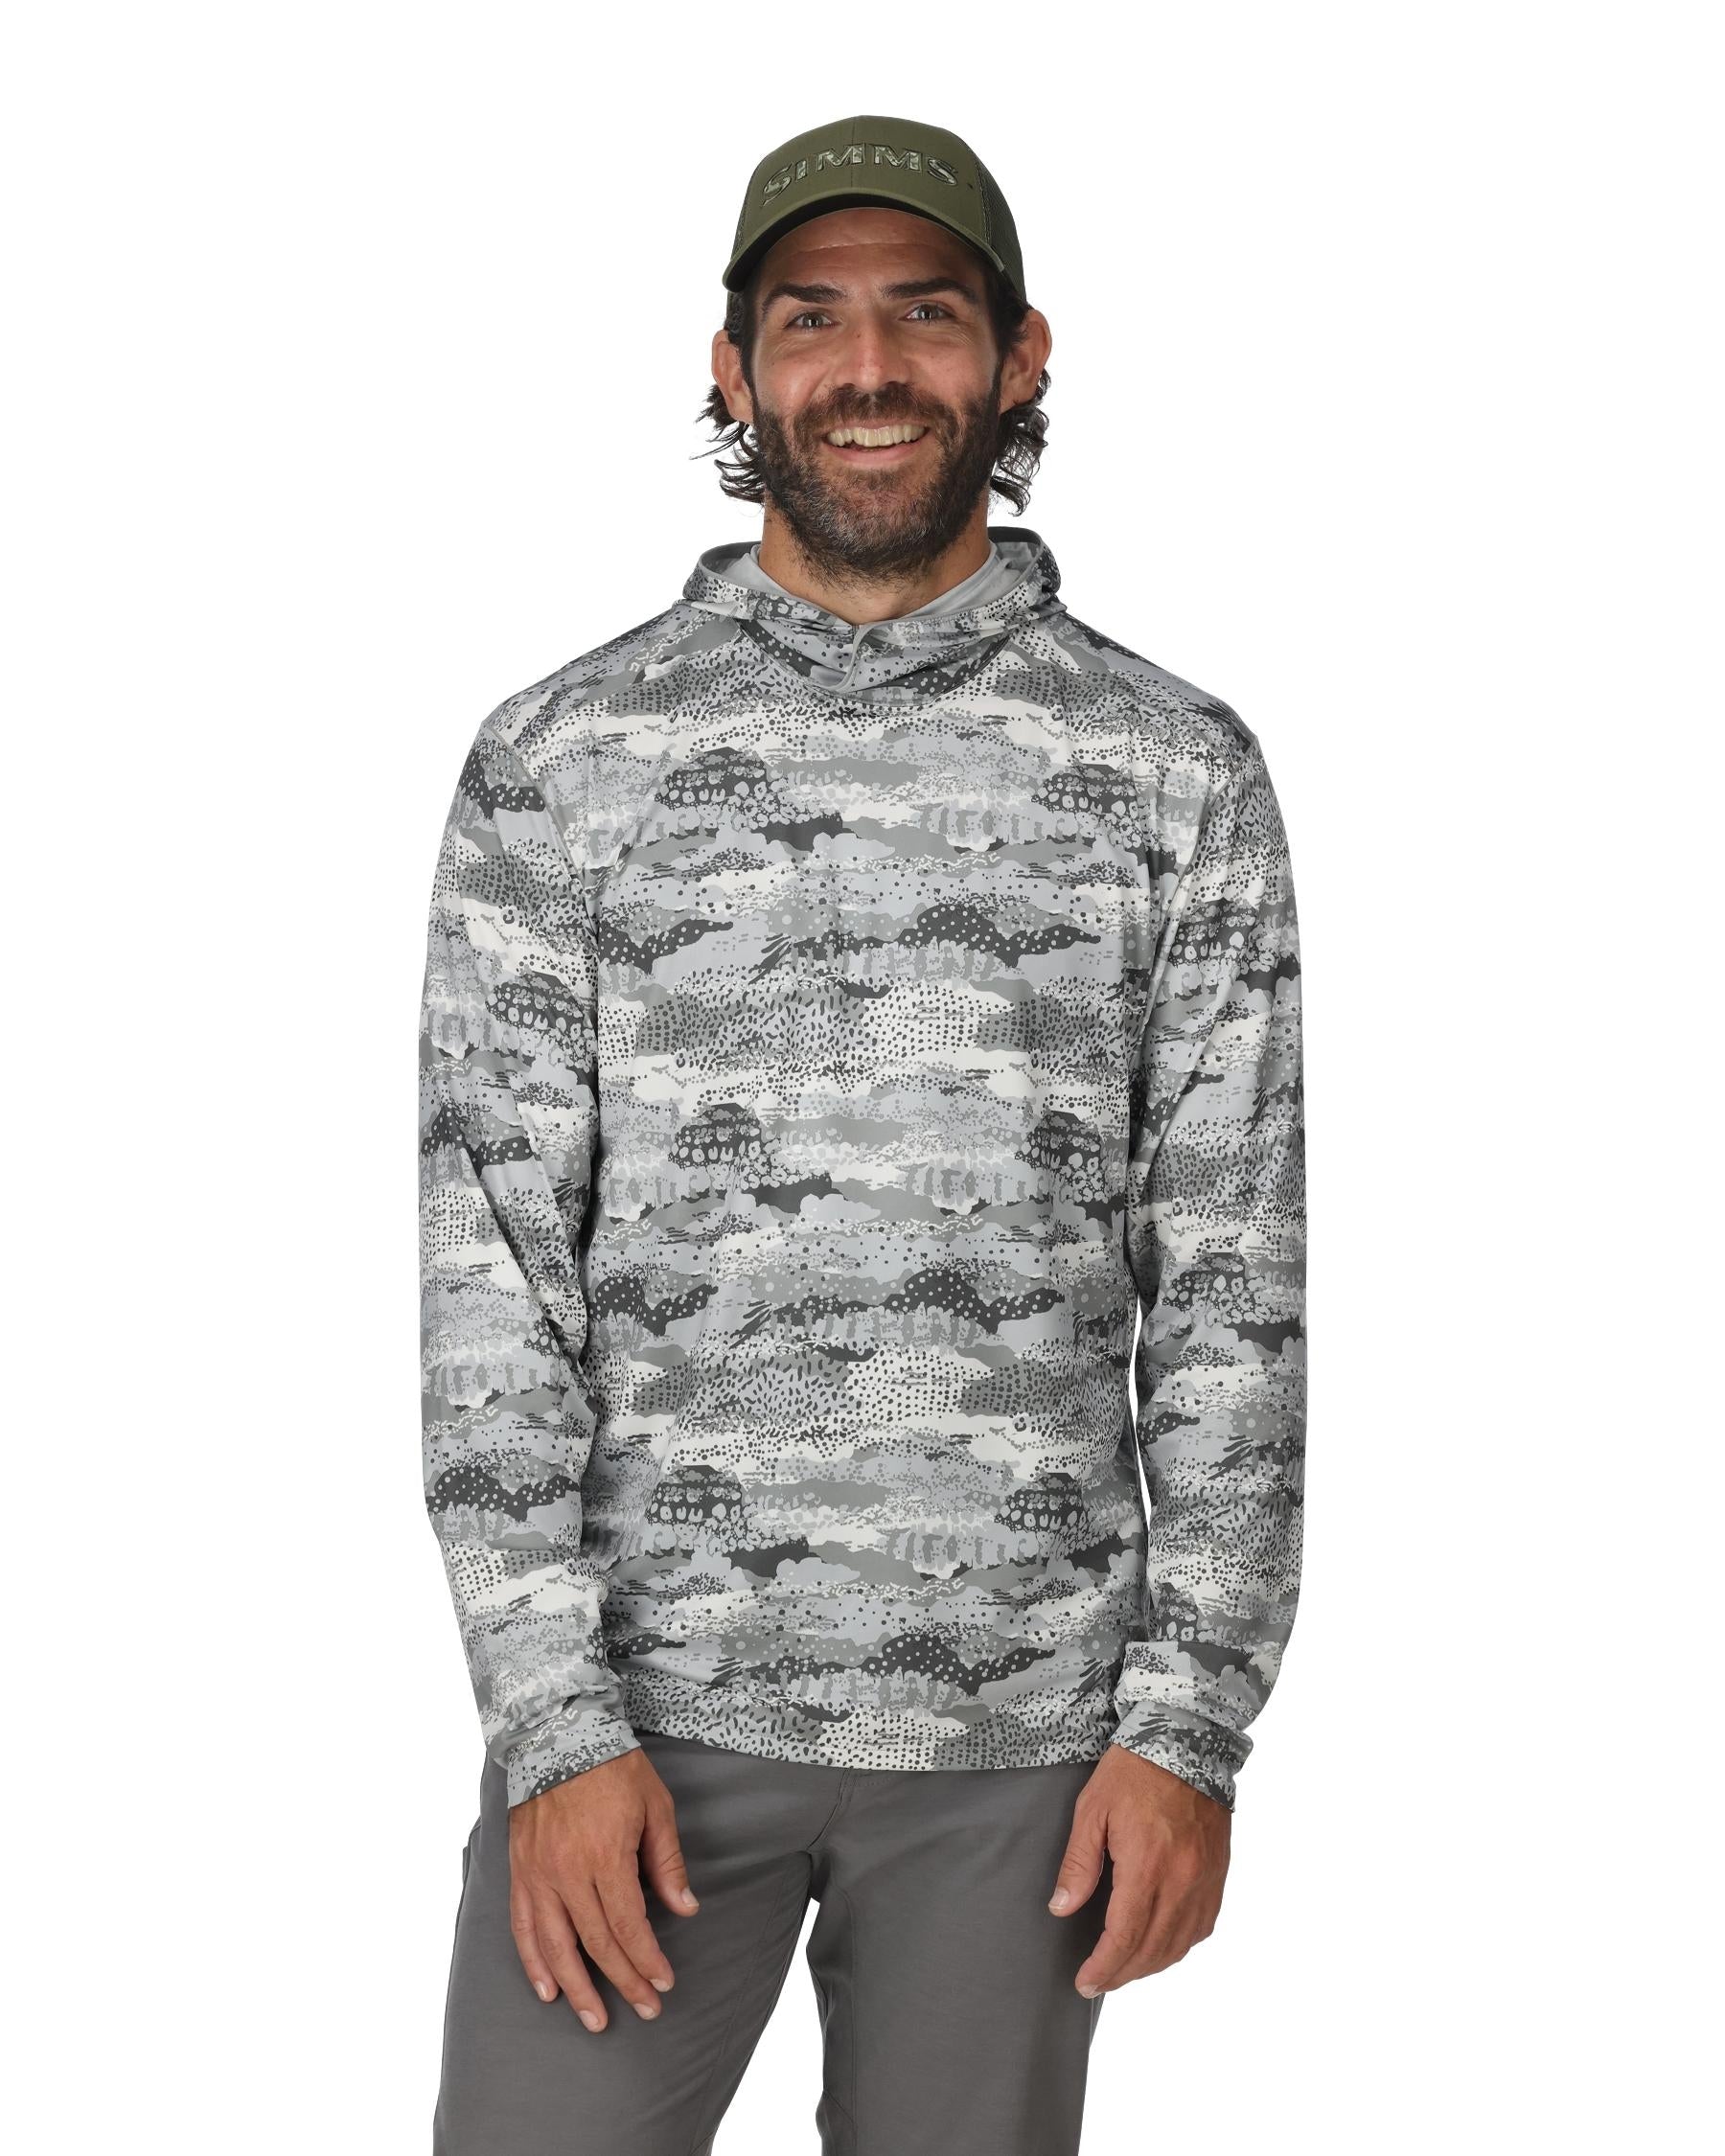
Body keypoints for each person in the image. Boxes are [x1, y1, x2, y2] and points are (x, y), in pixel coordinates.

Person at [419, 112, 1307, 2156]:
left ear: (1019, 354)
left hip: (1030, 1745)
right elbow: (492, 1273)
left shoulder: (1174, 769)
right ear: (735, 372)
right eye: (811, 318)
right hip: (641, 1740)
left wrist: (1191, 1727)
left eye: (928, 311)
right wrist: (551, 1723)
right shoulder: (564, 759)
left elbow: (1235, 1279)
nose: (871, 365)